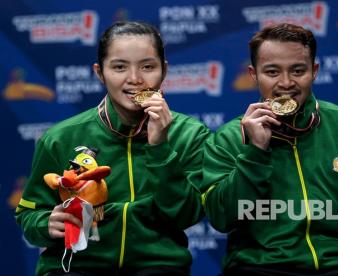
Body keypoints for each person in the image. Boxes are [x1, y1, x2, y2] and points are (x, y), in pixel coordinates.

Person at [15, 21, 210, 276]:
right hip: (76, 268)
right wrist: (45, 223)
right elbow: (29, 214)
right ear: (99, 73)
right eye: (119, 67)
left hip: (157, 268)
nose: (135, 79)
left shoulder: (190, 134)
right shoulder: (60, 137)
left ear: (164, 70)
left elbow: (186, 216)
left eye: (148, 67)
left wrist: (160, 146)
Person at [200, 23, 338, 275]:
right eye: (272, 72)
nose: (286, 83)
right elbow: (222, 218)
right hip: (260, 267)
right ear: (253, 75)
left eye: (298, 70)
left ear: (314, 71)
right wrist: (255, 152)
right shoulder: (229, 138)